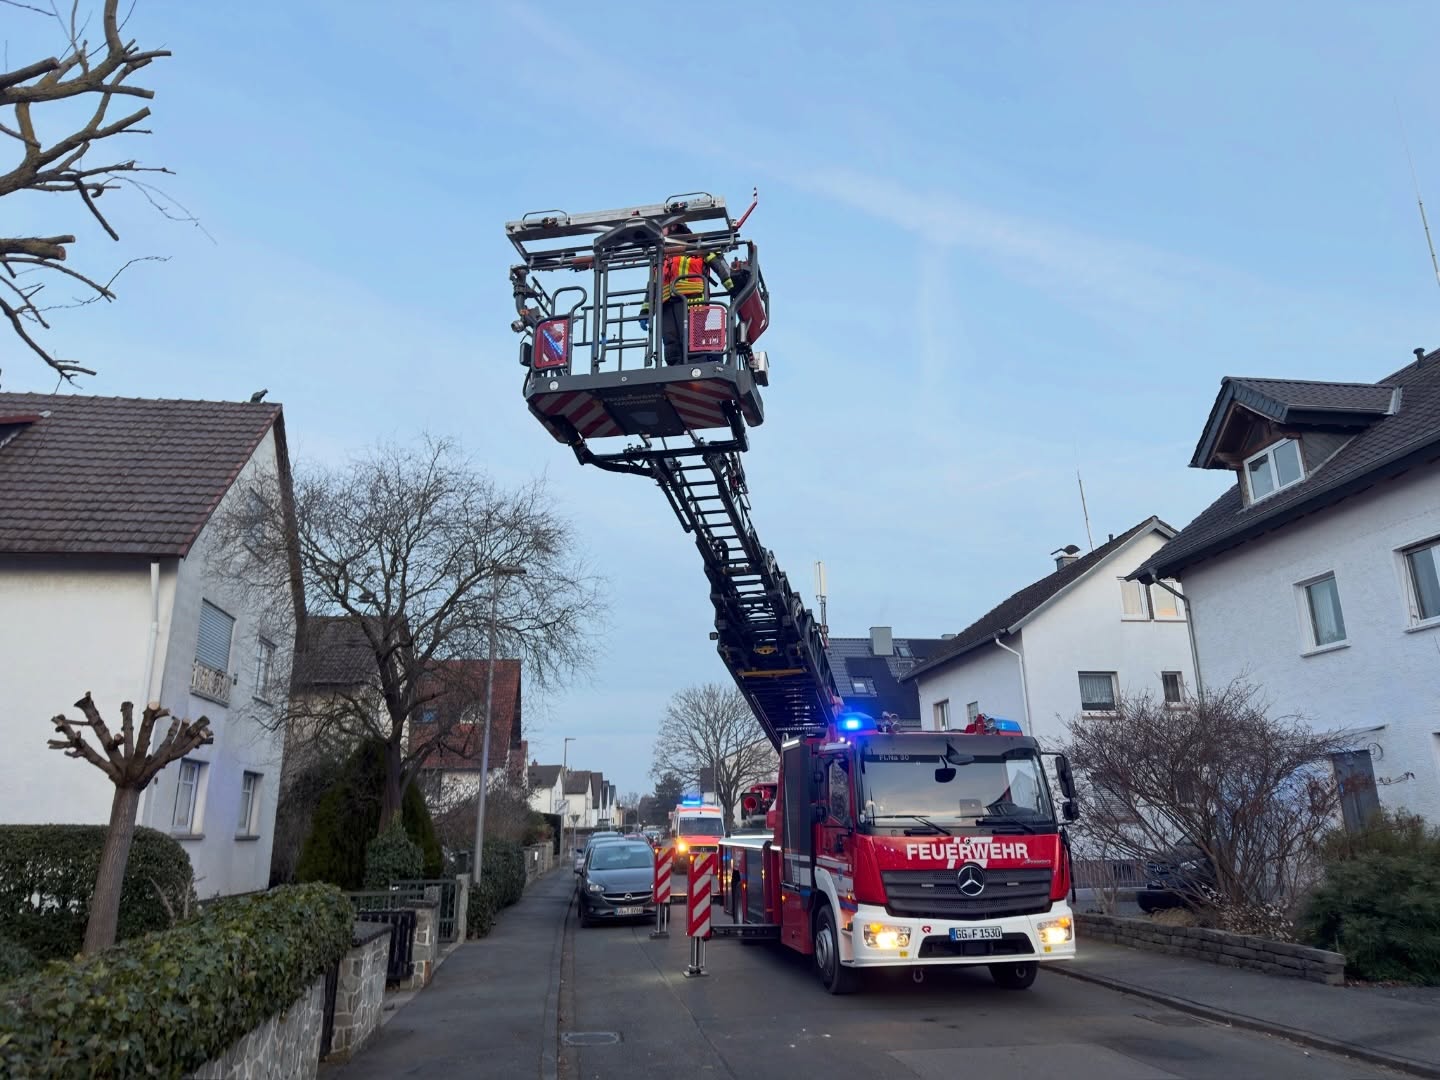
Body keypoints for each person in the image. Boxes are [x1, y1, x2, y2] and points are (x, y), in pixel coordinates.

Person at [639, 223, 734, 366]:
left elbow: (720, 266)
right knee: (670, 341)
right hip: (666, 304)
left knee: (691, 338)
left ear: (673, 226)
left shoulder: (697, 246)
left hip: (692, 301)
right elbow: (653, 284)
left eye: (662, 226)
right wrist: (646, 310)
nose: (659, 230)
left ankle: (696, 366)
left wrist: (732, 287)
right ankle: (674, 369)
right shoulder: (661, 255)